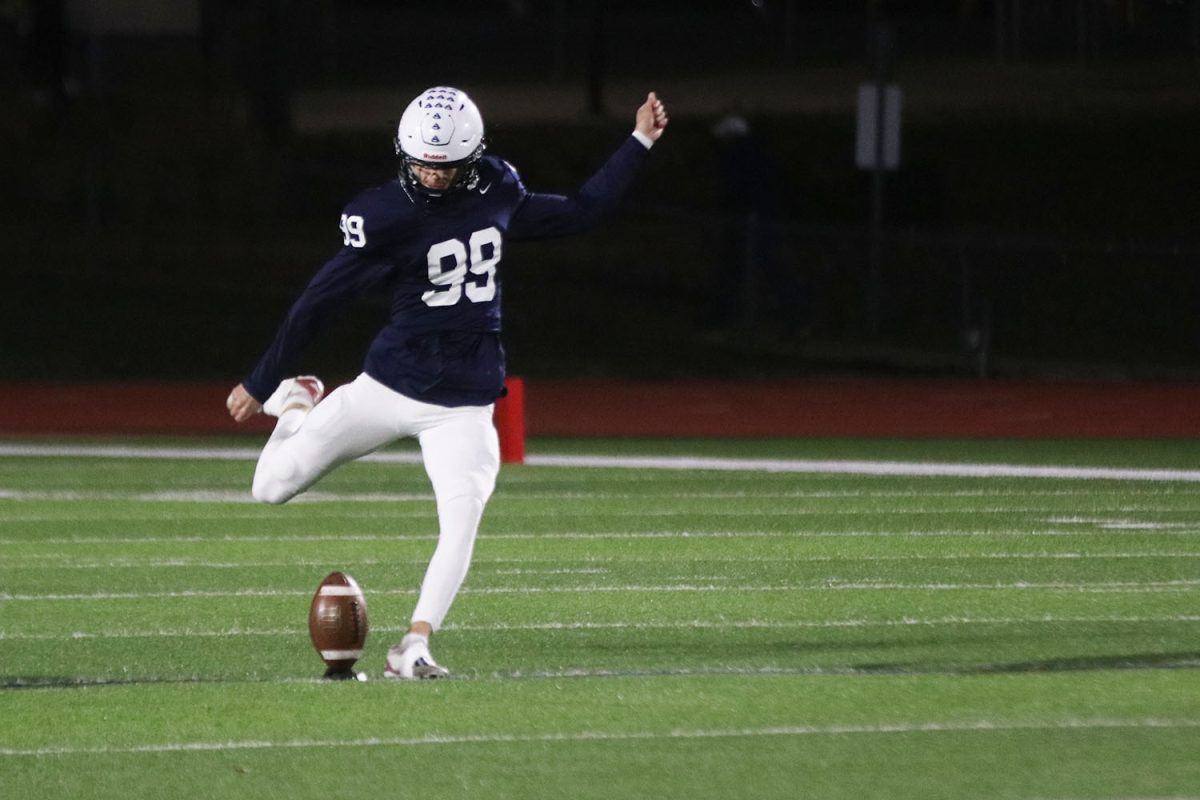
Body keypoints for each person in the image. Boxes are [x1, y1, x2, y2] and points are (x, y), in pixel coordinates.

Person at [226, 85, 669, 679]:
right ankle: (297, 406)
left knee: (461, 519)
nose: (433, 176)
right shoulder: (383, 217)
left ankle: (413, 646)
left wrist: (638, 140)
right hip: (387, 385)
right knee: (269, 488)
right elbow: (320, 300)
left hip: (463, 400)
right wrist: (263, 378)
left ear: (473, 157)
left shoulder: (498, 189)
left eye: (446, 166)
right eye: (423, 164)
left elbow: (583, 210)